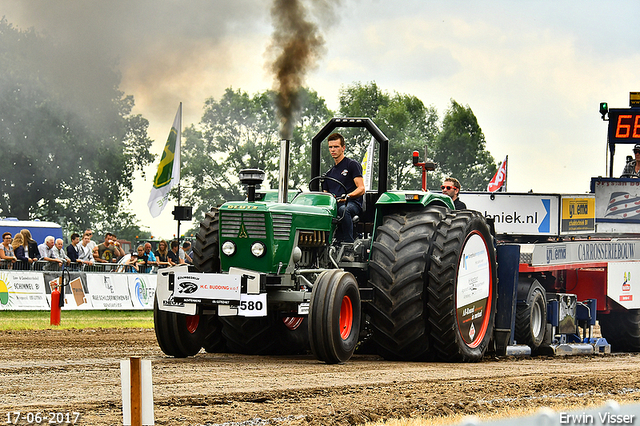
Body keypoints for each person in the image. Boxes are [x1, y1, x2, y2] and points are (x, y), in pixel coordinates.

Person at [322, 132, 365, 244]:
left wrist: (347, 196)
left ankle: (348, 244)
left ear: (343, 148)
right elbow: (325, 195)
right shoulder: (328, 174)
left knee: (343, 210)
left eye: (336, 146)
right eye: (330, 147)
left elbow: (361, 188)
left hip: (351, 203)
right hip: (334, 205)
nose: (333, 150)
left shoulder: (352, 165)